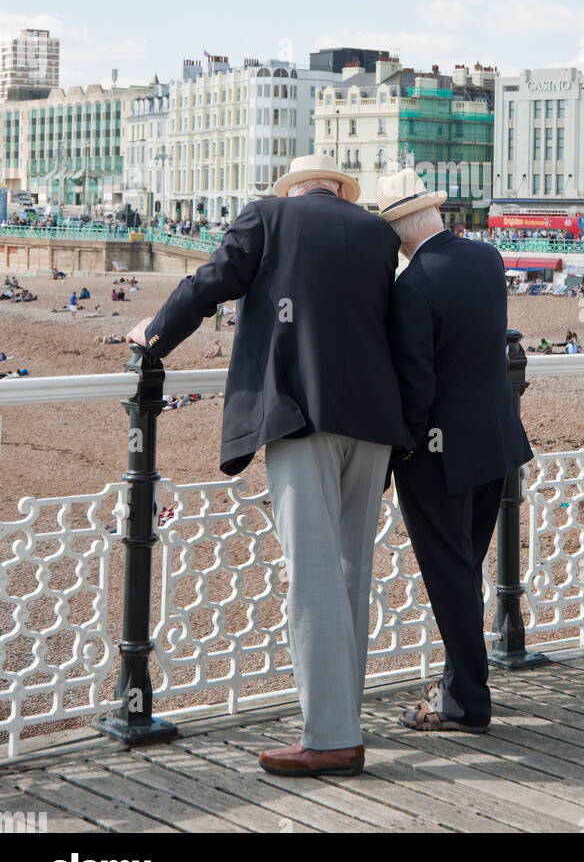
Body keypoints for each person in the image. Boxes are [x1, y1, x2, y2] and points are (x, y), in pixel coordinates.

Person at [126, 152, 410, 778]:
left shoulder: (268, 216)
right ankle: (344, 717)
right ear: (339, 189)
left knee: (311, 576)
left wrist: (154, 335)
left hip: (301, 412)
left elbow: (210, 282)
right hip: (375, 420)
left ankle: (331, 736)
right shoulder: (376, 234)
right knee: (350, 572)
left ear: (296, 187)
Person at [379, 168, 532, 734]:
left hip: (441, 455)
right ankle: (456, 686)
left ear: (397, 231)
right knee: (466, 567)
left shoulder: (411, 288)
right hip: (496, 440)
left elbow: (416, 387)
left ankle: (466, 702)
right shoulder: (487, 259)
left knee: (449, 578)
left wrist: (403, 452)